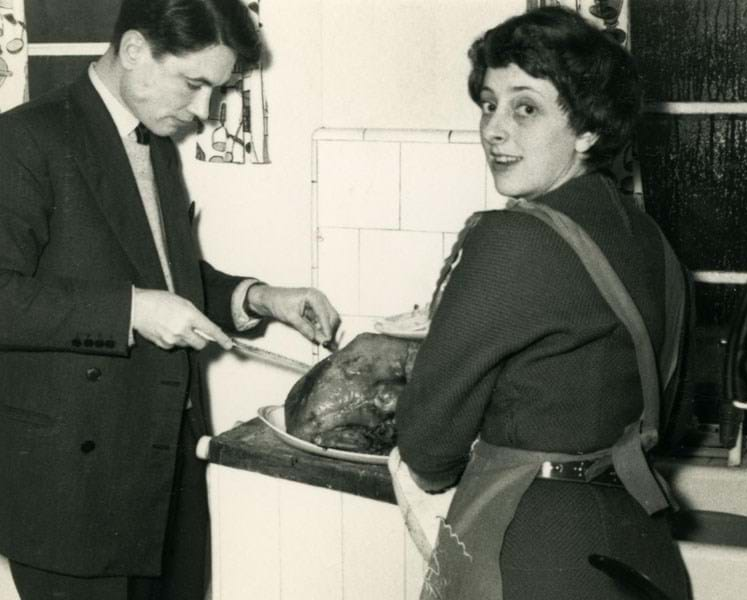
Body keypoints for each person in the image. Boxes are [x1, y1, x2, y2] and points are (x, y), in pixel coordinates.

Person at [0, 1, 339, 598]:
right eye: (195, 83)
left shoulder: (153, 142)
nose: (204, 111)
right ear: (134, 52)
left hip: (165, 475)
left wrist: (259, 298)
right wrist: (132, 311)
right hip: (71, 495)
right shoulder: (26, 138)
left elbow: (165, 277)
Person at [395, 7, 690, 600]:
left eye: (525, 107)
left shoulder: (514, 238)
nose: (494, 129)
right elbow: (668, 414)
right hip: (640, 548)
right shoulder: (653, 242)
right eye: (488, 103)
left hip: (530, 554)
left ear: (587, 129)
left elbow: (427, 446)